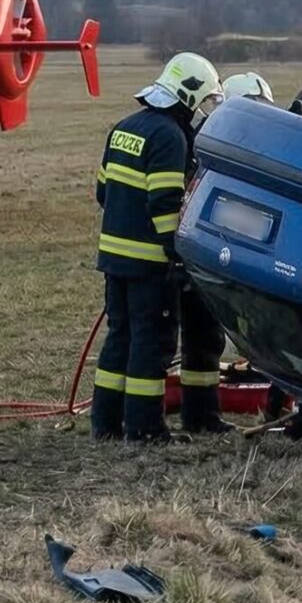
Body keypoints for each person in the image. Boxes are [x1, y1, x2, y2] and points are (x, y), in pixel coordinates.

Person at [91, 52, 219, 443]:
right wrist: (177, 255)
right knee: (152, 343)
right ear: (188, 95)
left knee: (120, 338)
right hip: (149, 264)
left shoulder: (124, 127)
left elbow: (102, 192)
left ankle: (106, 424)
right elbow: (165, 205)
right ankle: (145, 428)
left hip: (114, 259)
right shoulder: (169, 137)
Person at [171, 70, 270, 434]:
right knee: (201, 334)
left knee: (207, 335)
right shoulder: (209, 144)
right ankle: (199, 416)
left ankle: (201, 414)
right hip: (203, 253)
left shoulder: (215, 138)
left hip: (219, 253)